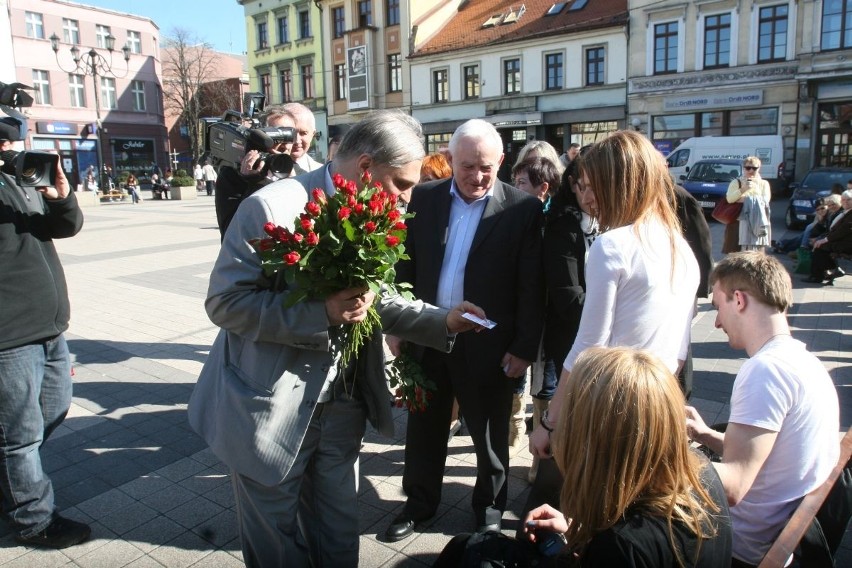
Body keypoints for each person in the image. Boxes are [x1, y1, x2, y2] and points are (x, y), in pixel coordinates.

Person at [187, 109, 488, 568]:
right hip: (271, 408)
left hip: (343, 406)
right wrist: (320, 313)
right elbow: (225, 304)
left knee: (338, 534)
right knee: (276, 545)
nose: (406, 203)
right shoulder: (272, 208)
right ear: (366, 167)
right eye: (402, 186)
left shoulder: (376, 211)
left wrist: (443, 321)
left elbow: (375, 299)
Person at [384, 119, 544, 541]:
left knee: (490, 434)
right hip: (428, 335)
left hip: (488, 345)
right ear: (450, 159)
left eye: (487, 167)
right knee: (424, 430)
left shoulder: (520, 209)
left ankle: (489, 510)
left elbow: (532, 286)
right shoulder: (426, 196)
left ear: (502, 162)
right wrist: (398, 324)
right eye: (468, 166)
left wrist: (525, 347)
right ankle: (418, 505)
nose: (477, 176)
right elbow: (407, 263)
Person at [437, 347, 732, 567]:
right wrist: (577, 537)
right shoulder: (703, 475)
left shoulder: (623, 547)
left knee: (467, 550)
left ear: (595, 439)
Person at [529, 130, 699, 460]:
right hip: (658, 408)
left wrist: (551, 422)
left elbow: (588, 347)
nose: (589, 197)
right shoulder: (680, 247)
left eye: (595, 186)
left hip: (609, 410)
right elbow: (679, 349)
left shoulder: (614, 245)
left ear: (618, 183)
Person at [686, 252, 840, 566]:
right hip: (777, 532)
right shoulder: (804, 361)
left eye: (718, 307)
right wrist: (706, 435)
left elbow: (733, 487)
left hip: (740, 546)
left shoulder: (765, 371)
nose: (716, 322)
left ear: (739, 300)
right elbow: (774, 457)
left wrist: (657, 454)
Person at [0, 118, 90, 549]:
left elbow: (66, 227)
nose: (9, 144)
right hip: (8, 336)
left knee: (52, 410)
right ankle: (33, 519)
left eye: (11, 136)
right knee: (19, 435)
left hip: (50, 327)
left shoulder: (17, 179)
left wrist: (61, 198)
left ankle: (13, 484)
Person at [215, 105, 297, 239]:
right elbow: (231, 232)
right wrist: (257, 184)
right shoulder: (233, 176)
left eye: (289, 135)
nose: (285, 144)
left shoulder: (300, 172)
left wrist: (293, 182)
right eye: (277, 136)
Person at [722, 157, 771, 254]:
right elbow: (730, 199)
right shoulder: (736, 182)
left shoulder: (764, 184)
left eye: (754, 168)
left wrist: (743, 199)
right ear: (743, 168)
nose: (751, 170)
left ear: (759, 168)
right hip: (737, 222)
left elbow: (765, 201)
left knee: (756, 255)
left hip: (757, 223)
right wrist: (743, 189)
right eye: (748, 168)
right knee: (734, 254)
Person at [804, 189, 852, 284]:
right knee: (818, 244)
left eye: (849, 199)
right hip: (840, 240)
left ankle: (823, 273)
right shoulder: (845, 212)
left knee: (820, 247)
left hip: (847, 243)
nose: (845, 202)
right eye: (843, 200)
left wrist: (825, 240)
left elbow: (842, 231)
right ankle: (823, 273)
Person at [281, 102, 322, 175]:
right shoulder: (263, 170)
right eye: (291, 132)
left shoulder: (321, 173)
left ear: (313, 134)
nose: (296, 140)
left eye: (303, 133)